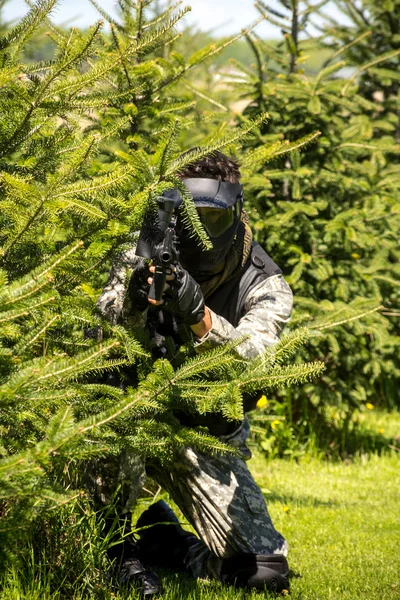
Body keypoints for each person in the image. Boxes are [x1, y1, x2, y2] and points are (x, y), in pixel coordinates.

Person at [93, 150, 294, 596]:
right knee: (115, 402)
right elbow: (102, 333)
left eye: (213, 220)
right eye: (189, 219)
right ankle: (117, 550)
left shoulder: (264, 284)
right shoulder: (143, 249)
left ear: (238, 214)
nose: (200, 237)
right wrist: (131, 300)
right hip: (130, 420)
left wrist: (199, 315)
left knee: (266, 571)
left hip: (204, 436)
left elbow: (252, 358)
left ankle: (171, 545)